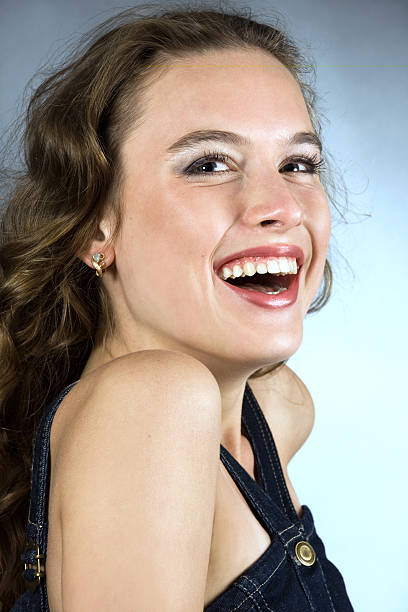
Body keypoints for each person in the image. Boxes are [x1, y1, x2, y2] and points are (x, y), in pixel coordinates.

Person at [0, 3, 355, 610]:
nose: (283, 206)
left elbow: (283, 400)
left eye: (298, 164)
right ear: (94, 228)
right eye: (209, 164)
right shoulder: (153, 403)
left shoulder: (267, 414)